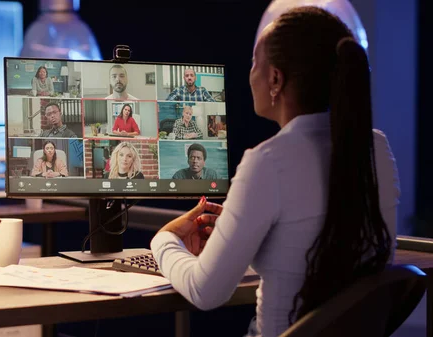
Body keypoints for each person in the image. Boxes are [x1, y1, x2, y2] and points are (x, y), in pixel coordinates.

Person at [150, 7, 399, 337]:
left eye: (255, 62)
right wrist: (246, 229)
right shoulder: (377, 149)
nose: (249, 73)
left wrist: (164, 239)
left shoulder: (268, 161)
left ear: (275, 79)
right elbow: (311, 251)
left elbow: (204, 291)